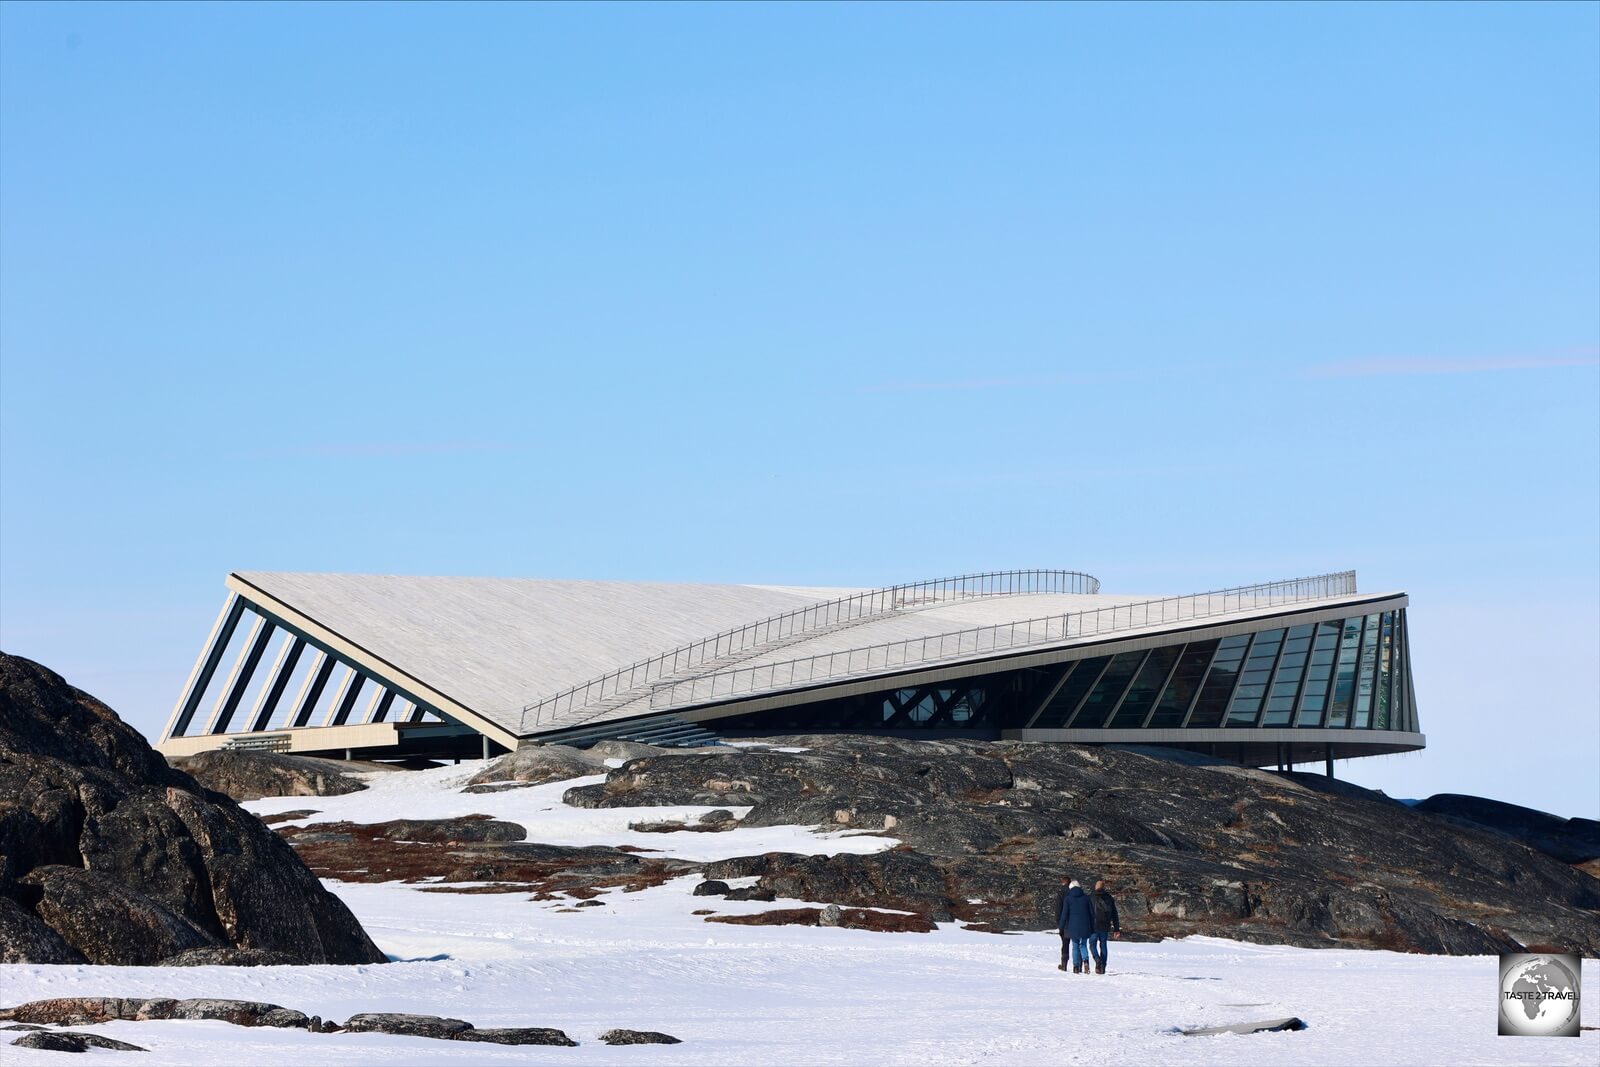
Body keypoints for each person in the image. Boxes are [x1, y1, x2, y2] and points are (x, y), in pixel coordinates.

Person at [1058, 879, 1095, 974]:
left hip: (1073, 926)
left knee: (1075, 946)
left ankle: (1075, 966)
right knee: (1083, 945)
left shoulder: (1068, 899)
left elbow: (1064, 914)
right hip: (1085, 925)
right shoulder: (1086, 898)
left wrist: (1061, 926)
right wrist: (1092, 926)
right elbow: (1091, 913)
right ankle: (1085, 962)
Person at [1088, 878, 1121, 974]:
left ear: (1096, 886)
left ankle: (1097, 960)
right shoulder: (1109, 898)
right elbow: (1114, 913)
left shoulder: (1091, 897)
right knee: (1103, 945)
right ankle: (1103, 966)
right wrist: (1116, 928)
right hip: (1105, 926)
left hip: (1093, 926)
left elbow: (1086, 912)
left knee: (1092, 945)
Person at [1052, 875, 1072, 971]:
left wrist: (1059, 923)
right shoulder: (1073, 892)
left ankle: (1064, 964)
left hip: (1064, 923)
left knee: (1065, 944)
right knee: (1078, 944)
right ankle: (1079, 965)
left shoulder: (1060, 893)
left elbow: (1058, 909)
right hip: (1074, 921)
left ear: (1062, 882)